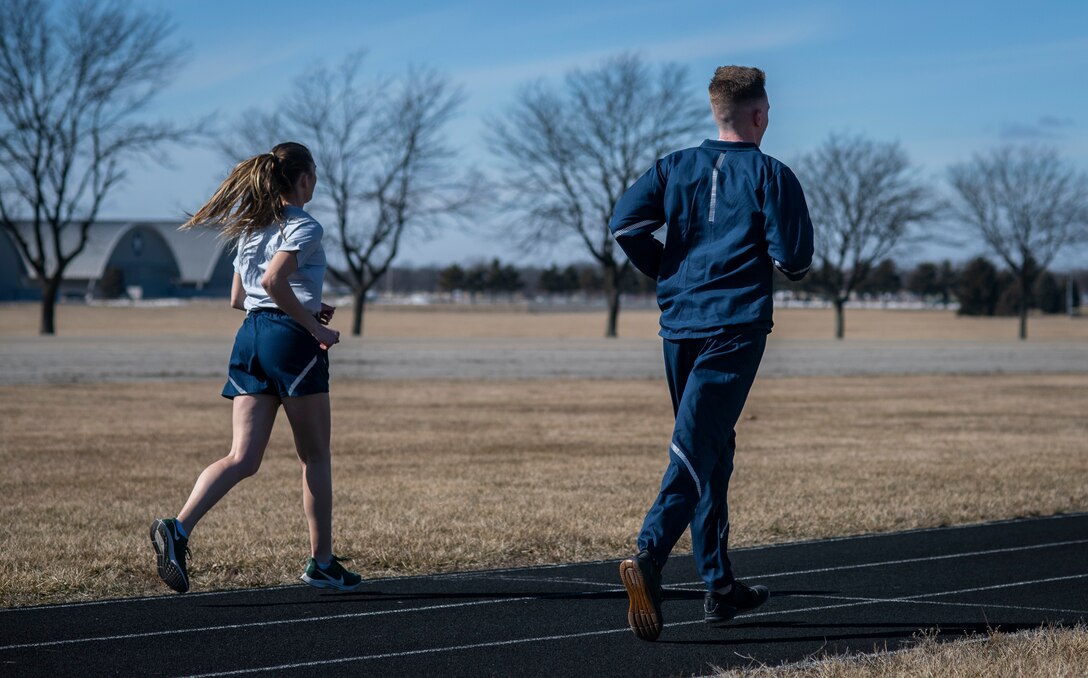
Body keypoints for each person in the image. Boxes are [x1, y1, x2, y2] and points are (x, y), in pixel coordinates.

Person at [609, 66, 813, 641]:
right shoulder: (773, 175)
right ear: (758, 114)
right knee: (697, 446)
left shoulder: (672, 166)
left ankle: (719, 586)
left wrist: (667, 271)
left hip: (679, 326)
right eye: (768, 110)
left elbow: (625, 226)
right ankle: (648, 554)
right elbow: (795, 259)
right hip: (735, 328)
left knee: (712, 448)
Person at [150, 142, 361, 593]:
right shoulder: (305, 225)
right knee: (316, 455)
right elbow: (271, 281)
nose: (316, 181)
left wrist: (308, 304)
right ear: (303, 179)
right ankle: (322, 564)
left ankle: (178, 528)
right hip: (289, 342)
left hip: (250, 338)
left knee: (242, 457)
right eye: (315, 173)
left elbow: (241, 298)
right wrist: (314, 327)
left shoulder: (251, 229)